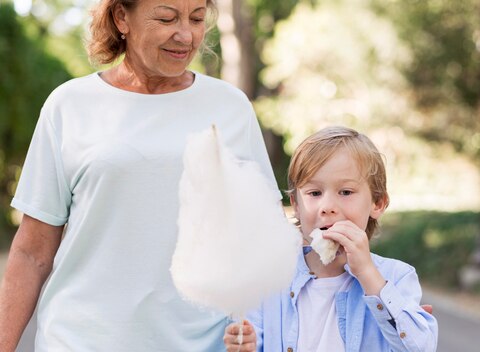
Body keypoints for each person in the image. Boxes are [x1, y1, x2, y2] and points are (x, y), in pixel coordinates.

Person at [0, 0, 280, 350]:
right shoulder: (69, 105)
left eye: (196, 19)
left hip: (200, 344)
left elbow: (262, 238)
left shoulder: (230, 107)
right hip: (79, 340)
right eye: (166, 18)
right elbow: (32, 252)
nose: (186, 35)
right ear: (121, 17)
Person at [224, 126, 438, 352]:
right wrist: (244, 346)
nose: (327, 207)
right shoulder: (270, 280)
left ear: (377, 203)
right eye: (314, 193)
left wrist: (368, 273)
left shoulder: (396, 277)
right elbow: (252, 339)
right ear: (296, 205)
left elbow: (420, 347)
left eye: (345, 192)